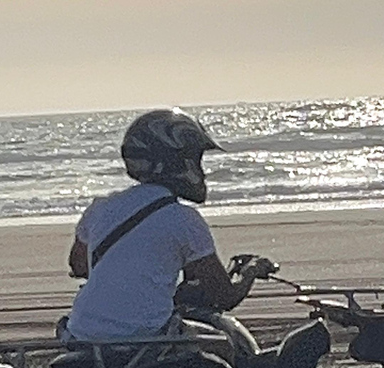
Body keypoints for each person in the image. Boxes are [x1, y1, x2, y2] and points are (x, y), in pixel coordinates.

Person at [62, 108, 274, 344]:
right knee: (227, 344)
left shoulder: (100, 208)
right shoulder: (184, 219)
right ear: (175, 162)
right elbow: (225, 297)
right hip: (146, 335)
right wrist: (251, 271)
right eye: (195, 160)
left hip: (81, 333)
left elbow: (79, 265)